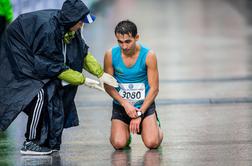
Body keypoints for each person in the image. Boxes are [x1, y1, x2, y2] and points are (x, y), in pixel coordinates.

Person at [0, 0, 118, 155]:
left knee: (55, 95)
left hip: (34, 52)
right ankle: (30, 142)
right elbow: (51, 66)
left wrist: (100, 73)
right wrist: (83, 80)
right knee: (39, 94)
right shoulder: (49, 31)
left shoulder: (70, 28)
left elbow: (81, 53)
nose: (82, 25)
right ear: (73, 20)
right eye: (81, 22)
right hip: (18, 51)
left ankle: (50, 142)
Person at [104, 20, 163, 150]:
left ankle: (155, 125)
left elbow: (154, 89)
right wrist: (125, 103)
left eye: (128, 41)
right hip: (122, 106)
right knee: (118, 144)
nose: (124, 46)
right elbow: (108, 86)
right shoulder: (110, 55)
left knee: (152, 143)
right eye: (120, 42)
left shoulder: (149, 55)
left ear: (137, 38)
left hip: (144, 106)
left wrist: (139, 113)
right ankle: (125, 133)